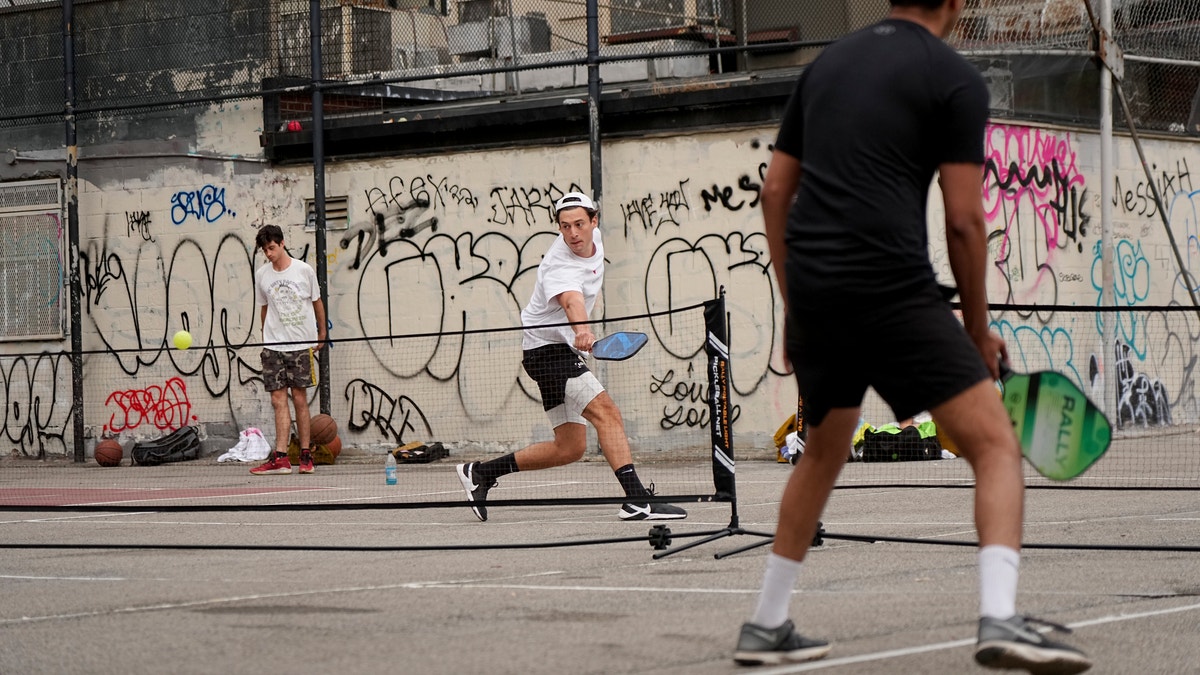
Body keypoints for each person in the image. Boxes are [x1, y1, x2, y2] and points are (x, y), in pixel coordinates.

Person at [733, 1, 1093, 673]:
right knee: (994, 444)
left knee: (823, 450)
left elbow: (776, 192)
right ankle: (1001, 615)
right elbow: (964, 221)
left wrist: (794, 304)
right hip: (888, 286)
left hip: (816, 290)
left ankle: (766, 623)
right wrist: (980, 333)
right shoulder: (954, 79)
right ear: (955, 3)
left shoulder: (828, 63)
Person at [455, 192, 687, 522]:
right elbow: (571, 301)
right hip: (546, 352)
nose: (573, 234)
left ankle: (480, 473)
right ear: (559, 229)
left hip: (554, 351)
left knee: (570, 448)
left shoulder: (593, 239)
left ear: (594, 221)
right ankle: (637, 500)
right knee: (608, 413)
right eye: (565, 227)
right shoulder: (558, 265)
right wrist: (582, 330)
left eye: (579, 224)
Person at [249, 224, 327, 476]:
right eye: (265, 250)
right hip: (273, 346)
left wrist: (322, 333)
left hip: (300, 344)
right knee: (277, 399)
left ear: (282, 243)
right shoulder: (262, 274)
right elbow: (263, 307)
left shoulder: (303, 270)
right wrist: (265, 337)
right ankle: (281, 457)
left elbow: (317, 301)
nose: (269, 253)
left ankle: (305, 455)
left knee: (300, 399)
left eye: (272, 248)